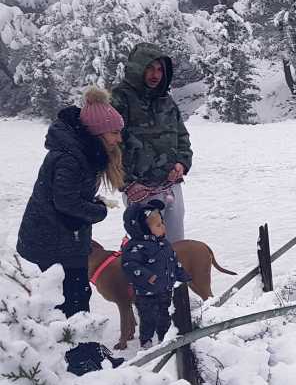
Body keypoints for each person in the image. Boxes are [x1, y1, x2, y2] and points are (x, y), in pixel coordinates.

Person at [16, 87, 125, 317]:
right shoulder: (70, 157)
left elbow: (68, 196)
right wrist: (99, 211)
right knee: (69, 300)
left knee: (76, 295)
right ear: (98, 133)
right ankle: (79, 352)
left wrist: (90, 202)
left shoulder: (83, 152)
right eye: (114, 132)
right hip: (49, 244)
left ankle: (82, 350)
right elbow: (65, 202)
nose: (118, 138)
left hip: (63, 239)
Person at [111, 43, 192, 242]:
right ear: (138, 68)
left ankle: (174, 273)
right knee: (148, 248)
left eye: (159, 70)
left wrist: (182, 163)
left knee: (175, 244)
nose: (155, 75)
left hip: (170, 185)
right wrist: (128, 184)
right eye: (149, 68)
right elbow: (111, 147)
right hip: (140, 190)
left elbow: (182, 137)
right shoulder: (120, 100)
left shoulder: (167, 101)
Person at [120, 200, 191, 347]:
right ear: (143, 228)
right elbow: (130, 265)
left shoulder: (164, 244)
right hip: (146, 295)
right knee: (148, 319)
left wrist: (182, 275)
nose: (163, 227)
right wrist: (148, 277)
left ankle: (164, 342)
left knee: (165, 318)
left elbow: (173, 262)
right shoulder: (135, 247)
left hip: (165, 290)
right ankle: (146, 343)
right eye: (158, 225)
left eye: (162, 223)